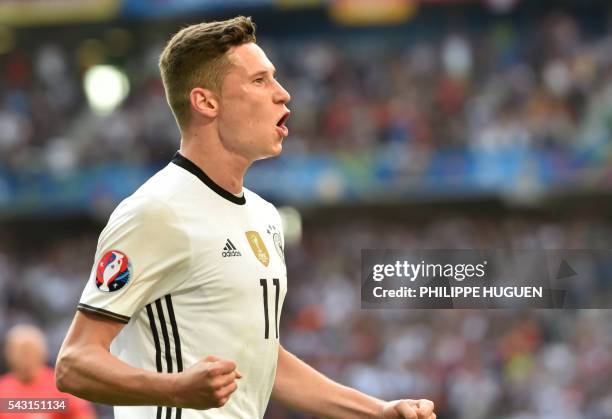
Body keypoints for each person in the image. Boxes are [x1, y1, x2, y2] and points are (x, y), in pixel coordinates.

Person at [55, 16, 436, 419]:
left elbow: (265, 360)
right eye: (260, 81)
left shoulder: (266, 216)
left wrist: (378, 411)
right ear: (206, 102)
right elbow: (75, 362)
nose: (283, 94)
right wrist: (175, 389)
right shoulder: (157, 212)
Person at [0, 324, 95, 419]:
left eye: (29, 350)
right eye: (19, 351)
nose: (25, 356)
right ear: (8, 354)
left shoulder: (61, 385)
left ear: (42, 352)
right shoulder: (3, 389)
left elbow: (84, 415)